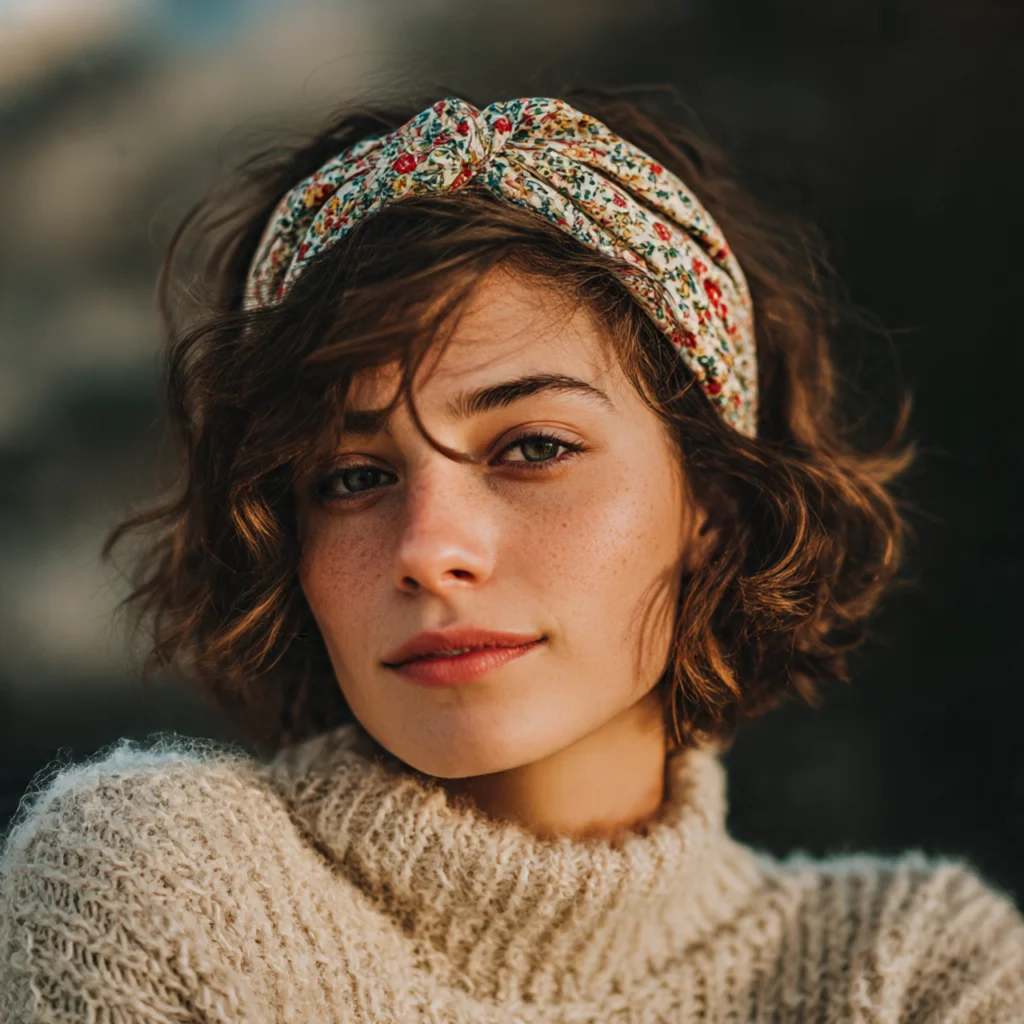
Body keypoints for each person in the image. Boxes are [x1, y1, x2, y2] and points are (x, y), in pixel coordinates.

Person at [2, 88, 1022, 1023]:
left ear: (710, 496)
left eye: (534, 448)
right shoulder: (158, 885)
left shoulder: (912, 969)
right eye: (351, 477)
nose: (430, 549)